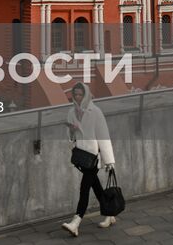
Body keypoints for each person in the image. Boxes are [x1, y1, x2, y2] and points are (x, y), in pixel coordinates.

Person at [61, 81, 116, 236]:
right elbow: (70, 137)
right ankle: (110, 214)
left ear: (85, 95)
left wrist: (109, 161)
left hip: (93, 156)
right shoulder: (71, 112)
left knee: (84, 188)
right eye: (75, 94)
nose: (78, 97)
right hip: (82, 156)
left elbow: (103, 136)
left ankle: (76, 221)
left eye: (80, 94)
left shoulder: (96, 112)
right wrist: (72, 131)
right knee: (96, 187)